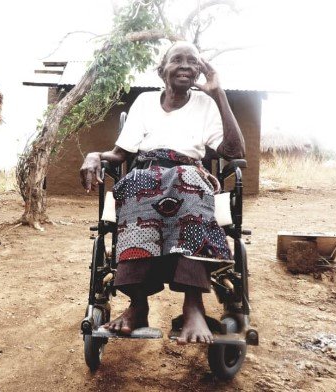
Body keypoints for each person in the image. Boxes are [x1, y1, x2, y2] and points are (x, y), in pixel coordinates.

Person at [79, 41, 245, 344]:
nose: (185, 65)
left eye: (193, 61)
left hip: (189, 171)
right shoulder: (144, 102)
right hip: (146, 171)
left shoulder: (205, 104)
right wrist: (93, 155)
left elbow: (234, 151)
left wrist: (218, 92)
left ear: (200, 71)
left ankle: (193, 305)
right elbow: (119, 154)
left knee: (189, 183)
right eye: (177, 60)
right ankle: (138, 306)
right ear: (161, 70)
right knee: (137, 186)